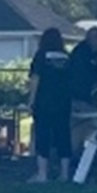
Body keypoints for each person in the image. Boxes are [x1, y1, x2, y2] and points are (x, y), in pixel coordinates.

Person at [28, 28, 72, 183]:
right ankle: (65, 173)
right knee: (63, 135)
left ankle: (42, 174)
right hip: (63, 102)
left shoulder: (41, 56)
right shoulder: (66, 57)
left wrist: (31, 100)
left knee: (43, 135)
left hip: (44, 101)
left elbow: (35, 79)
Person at [68, 27, 97, 112]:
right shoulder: (81, 53)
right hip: (78, 94)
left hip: (87, 94)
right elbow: (82, 73)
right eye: (95, 37)